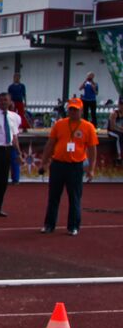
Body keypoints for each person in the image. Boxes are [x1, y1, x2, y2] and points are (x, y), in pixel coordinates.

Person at [40, 98, 98, 236]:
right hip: (58, 164)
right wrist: (44, 162)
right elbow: (50, 144)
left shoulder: (88, 127)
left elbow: (92, 149)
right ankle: (49, 225)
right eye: (71, 109)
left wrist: (91, 169)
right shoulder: (59, 124)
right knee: (53, 196)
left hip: (75, 166)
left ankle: (73, 226)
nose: (72, 112)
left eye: (75, 110)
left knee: (75, 197)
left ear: (81, 111)